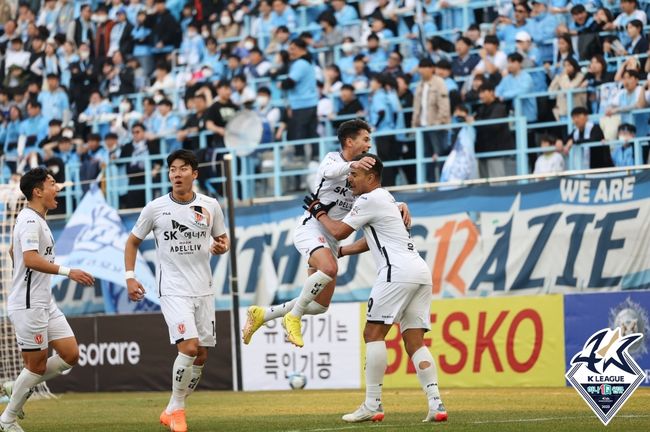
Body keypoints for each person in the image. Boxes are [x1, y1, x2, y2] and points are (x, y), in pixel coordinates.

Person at [305, 153, 447, 424]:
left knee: (373, 333)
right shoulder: (387, 199)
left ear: (371, 178)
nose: (350, 178)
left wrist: (318, 211)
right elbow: (371, 240)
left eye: (355, 174)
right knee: (415, 342)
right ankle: (436, 403)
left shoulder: (368, 199)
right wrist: (342, 253)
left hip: (396, 273)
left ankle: (372, 403)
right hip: (419, 271)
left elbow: (337, 232)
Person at [241, 119, 410, 347]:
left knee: (319, 306)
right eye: (365, 139)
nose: (369, 145)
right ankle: (293, 317)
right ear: (350, 141)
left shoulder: (362, 175)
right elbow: (329, 172)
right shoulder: (332, 160)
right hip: (311, 228)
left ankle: (262, 314)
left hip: (330, 236)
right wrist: (352, 166)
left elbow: (374, 195)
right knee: (329, 268)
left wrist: (398, 204)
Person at [124, 149, 229, 432]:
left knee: (202, 355)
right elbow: (132, 242)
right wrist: (130, 276)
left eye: (183, 169)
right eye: (172, 169)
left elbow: (222, 240)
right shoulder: (155, 207)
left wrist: (221, 246)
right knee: (190, 347)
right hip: (173, 289)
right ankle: (178, 411)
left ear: (194, 174)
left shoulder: (210, 205)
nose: (176, 174)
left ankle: (171, 407)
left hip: (203, 289)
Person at [0, 168, 95, 432]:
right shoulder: (30, 220)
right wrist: (69, 271)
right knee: (36, 366)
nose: (58, 189)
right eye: (53, 184)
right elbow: (29, 258)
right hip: (28, 304)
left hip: (44, 301)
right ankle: (7, 419)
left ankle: (17, 385)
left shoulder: (38, 219)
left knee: (70, 354)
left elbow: (12, 251)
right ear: (37, 191)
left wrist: (23, 271)